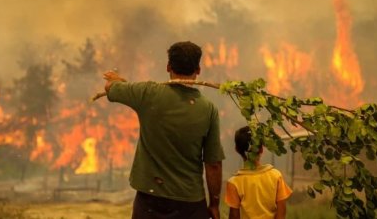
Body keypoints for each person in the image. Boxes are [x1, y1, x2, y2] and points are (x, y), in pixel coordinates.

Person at [103, 41, 225, 219]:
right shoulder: (208, 110)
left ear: (168, 66)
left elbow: (110, 88)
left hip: (150, 201)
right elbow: (213, 164)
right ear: (198, 70)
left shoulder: (147, 94)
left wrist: (116, 81)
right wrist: (214, 204)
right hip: (190, 204)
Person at [225, 126, 292, 219]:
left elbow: (234, 216)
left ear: (237, 149)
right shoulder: (276, 176)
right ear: (261, 149)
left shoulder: (234, 183)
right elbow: (282, 212)